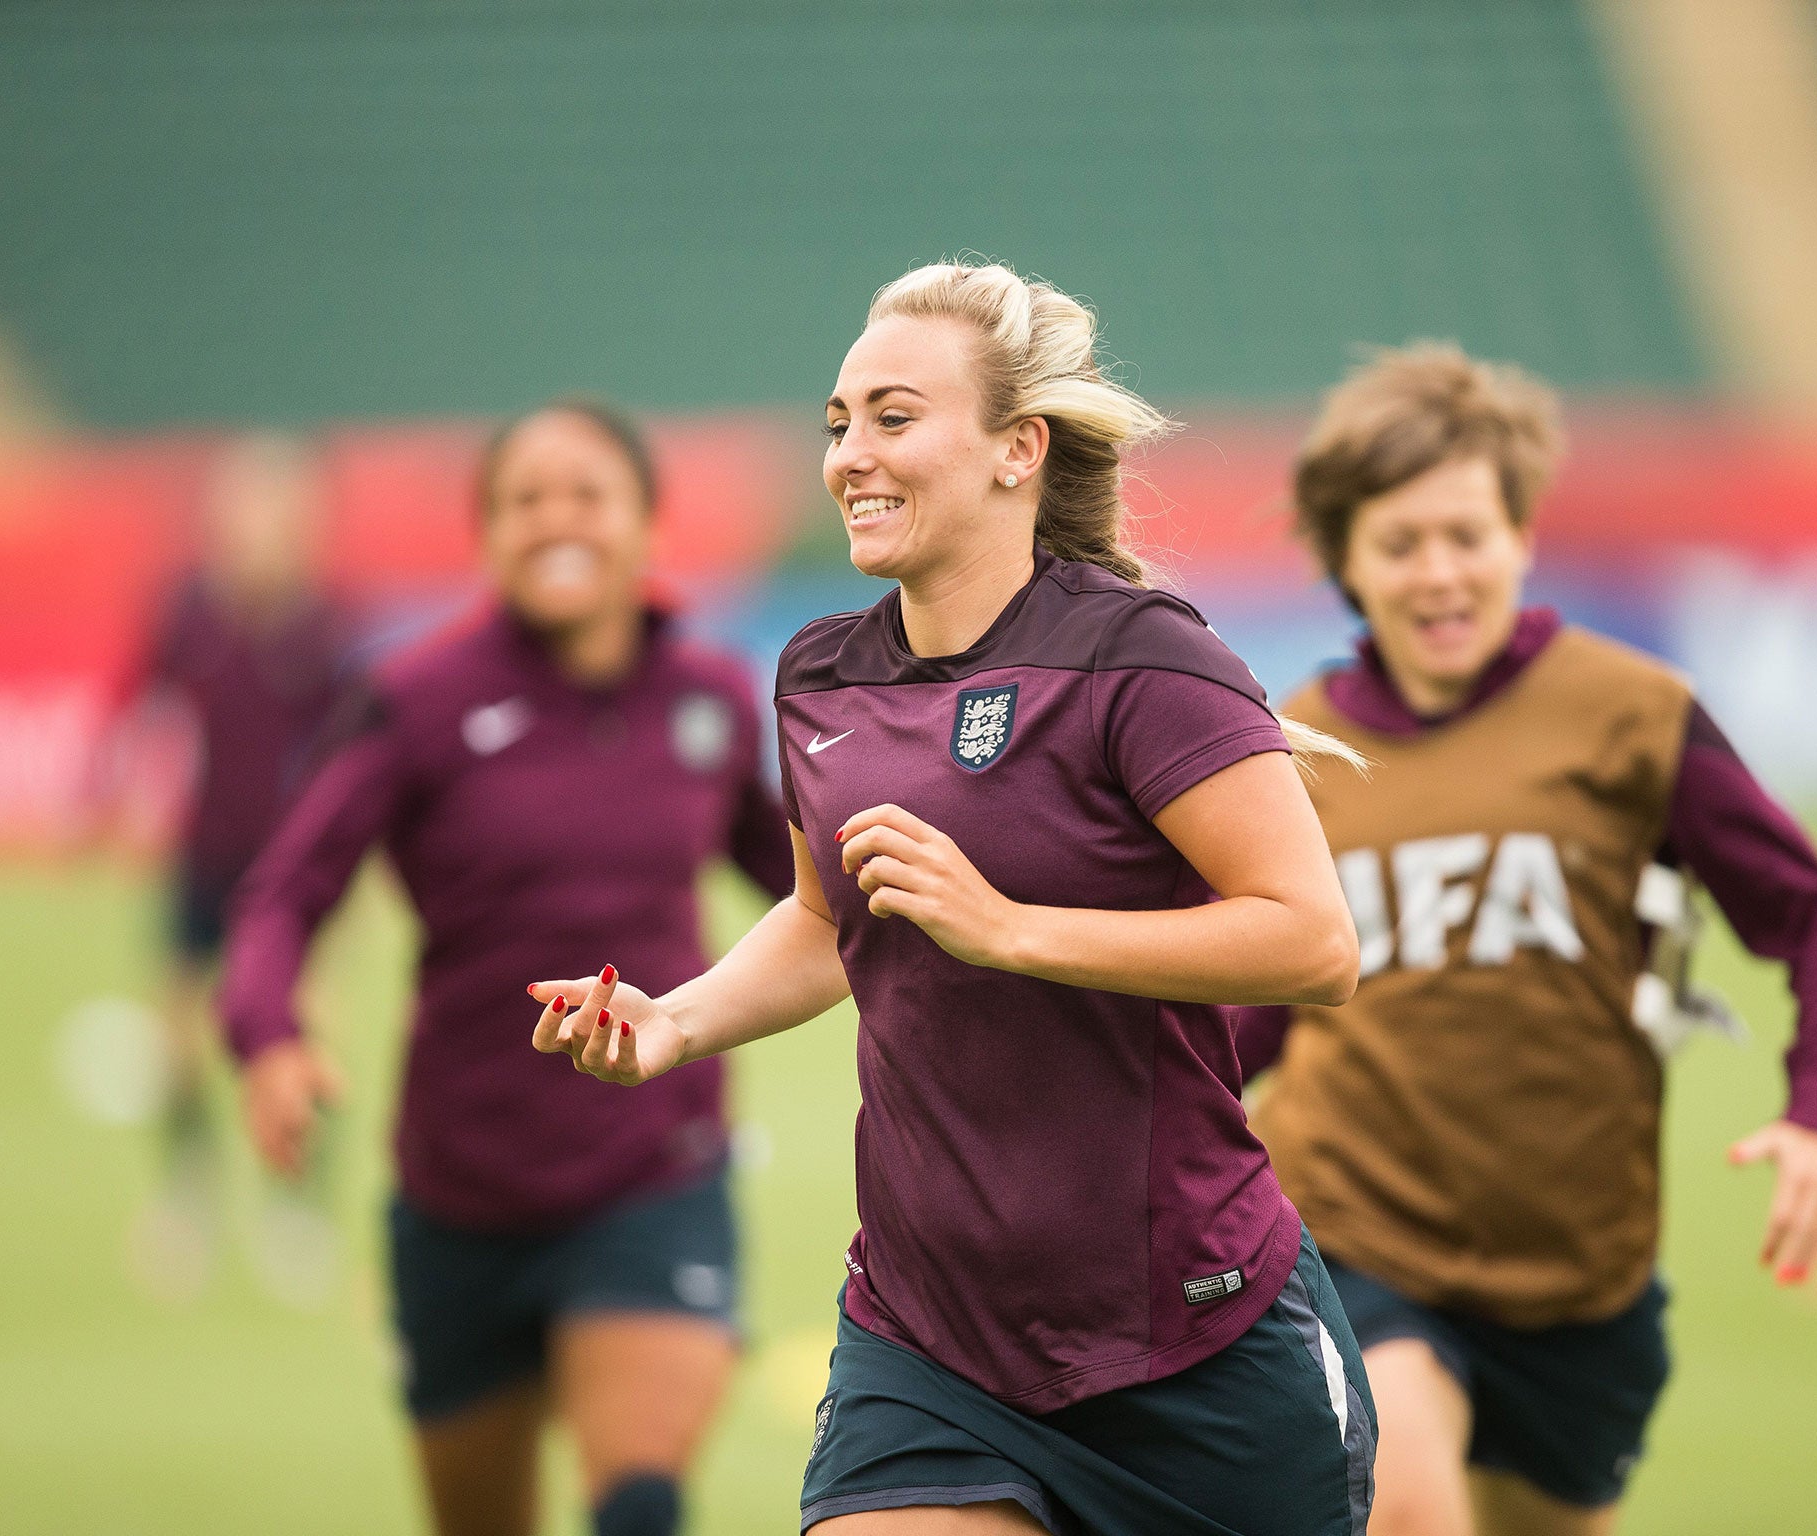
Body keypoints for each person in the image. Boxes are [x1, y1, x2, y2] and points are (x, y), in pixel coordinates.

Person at [532, 262, 1376, 1535]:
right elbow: (830, 921)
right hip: (926, 1345)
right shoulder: (819, 679)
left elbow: (1312, 941)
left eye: (893, 417)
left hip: (1194, 1345)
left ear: (1015, 451)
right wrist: (676, 1022)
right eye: (837, 422)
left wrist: (1013, 930)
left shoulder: (1139, 656)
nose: (850, 456)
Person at [1233, 343, 1817, 1536]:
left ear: (1520, 536)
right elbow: (1250, 1005)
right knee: (1406, 1511)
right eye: (1398, 543)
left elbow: (1814, 921)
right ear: (1341, 562)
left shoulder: (1630, 717)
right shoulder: (1290, 754)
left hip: (1580, 1273)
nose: (1438, 572)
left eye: (1466, 535)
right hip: (1352, 1232)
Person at [218, 399, 794, 1536]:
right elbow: (285, 893)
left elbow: (803, 891)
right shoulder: (417, 703)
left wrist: (952, 955)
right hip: (458, 1198)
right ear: (485, 534)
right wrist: (268, 1037)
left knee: (638, 1505)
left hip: (655, 1172)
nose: (556, 520)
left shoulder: (709, 699)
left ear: (644, 524)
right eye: (525, 500)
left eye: (587, 494)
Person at [112, 434, 350, 1299]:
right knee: (178, 1043)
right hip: (202, 861)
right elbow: (138, 705)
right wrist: (109, 788)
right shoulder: (188, 612)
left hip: (291, 869)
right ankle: (187, 1197)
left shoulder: (326, 622)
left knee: (306, 1034)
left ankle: (298, 1211)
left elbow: (352, 751)